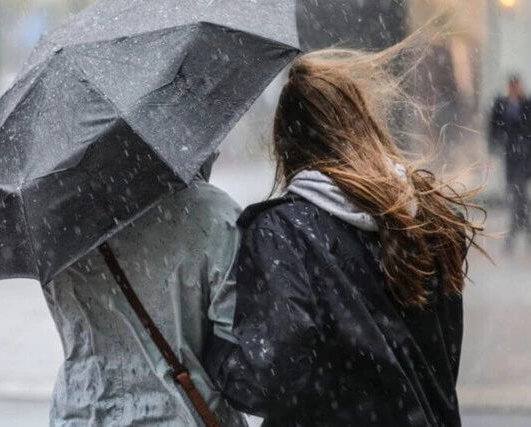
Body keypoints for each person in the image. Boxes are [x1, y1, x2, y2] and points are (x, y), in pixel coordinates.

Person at [204, 43, 485, 426]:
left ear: (288, 143)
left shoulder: (284, 233)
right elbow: (441, 357)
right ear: (362, 125)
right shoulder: (427, 218)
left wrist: (216, 353)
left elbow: (273, 379)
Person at [42, 158, 248, 426]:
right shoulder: (211, 212)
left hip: (79, 414)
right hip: (186, 416)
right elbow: (240, 350)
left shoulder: (55, 227)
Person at [489, 74, 531, 250]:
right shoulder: (501, 104)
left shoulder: (527, 105)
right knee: (516, 193)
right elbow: (493, 128)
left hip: (525, 157)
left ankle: (515, 231)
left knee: (518, 192)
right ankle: (523, 226)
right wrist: (493, 148)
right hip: (510, 156)